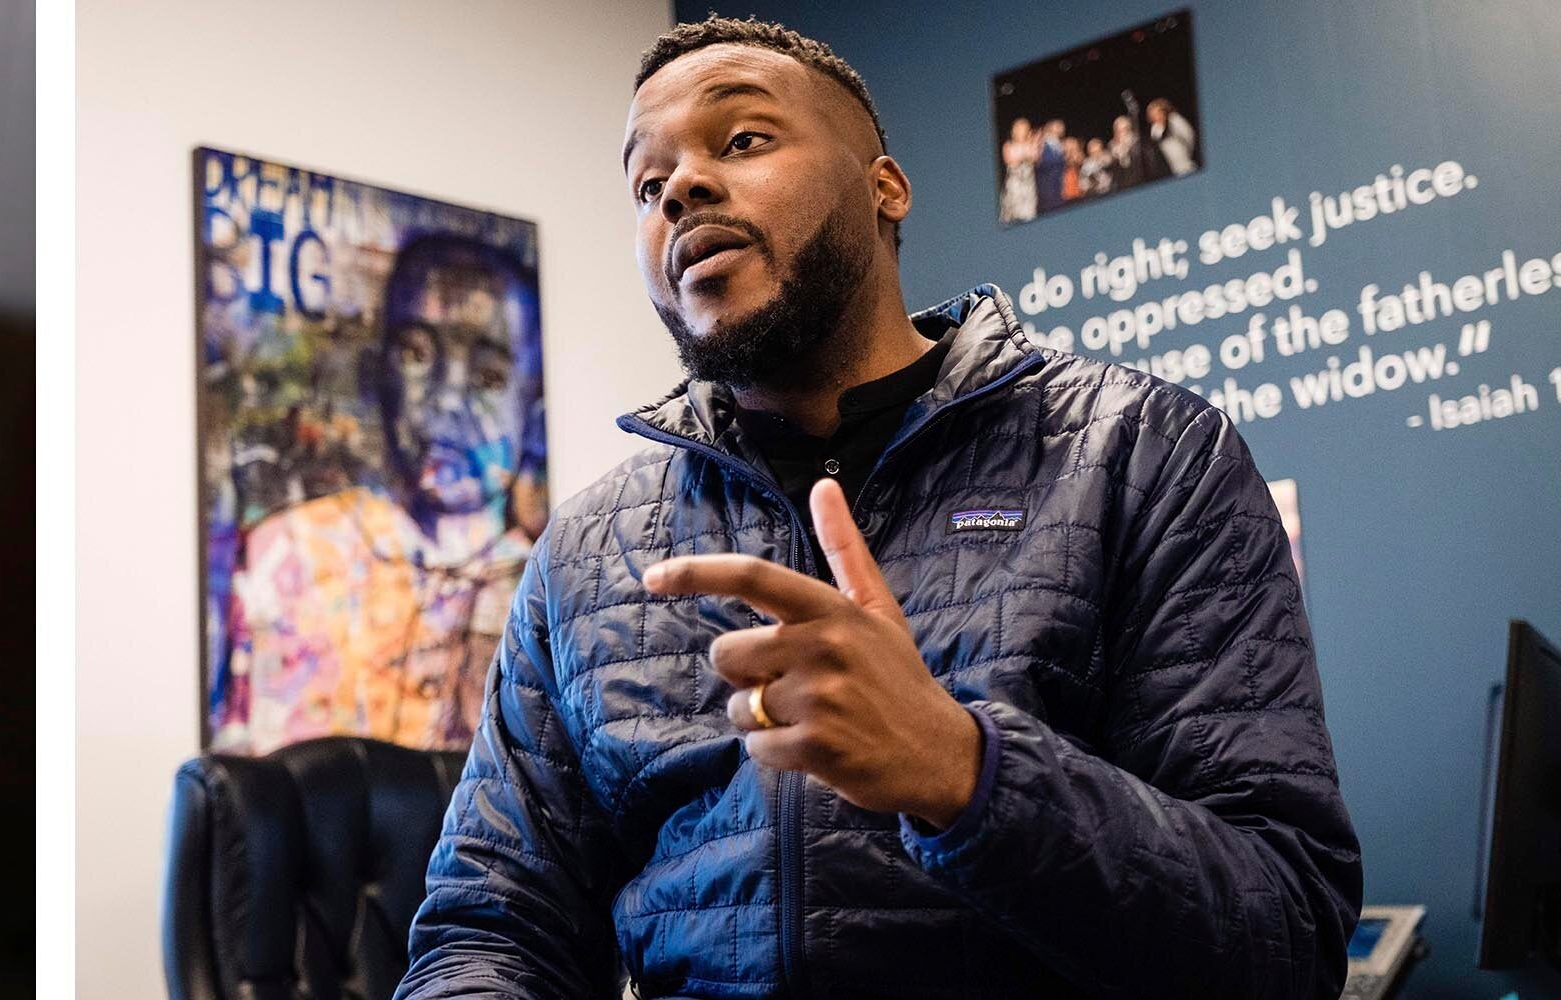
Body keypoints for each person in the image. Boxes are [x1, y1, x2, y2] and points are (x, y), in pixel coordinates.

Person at [398, 16, 1358, 998]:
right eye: (649, 185)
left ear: (884, 188)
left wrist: (968, 773)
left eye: (742, 140)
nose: (680, 188)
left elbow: (1287, 936)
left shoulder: (1146, 455)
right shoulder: (587, 552)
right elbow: (490, 924)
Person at [216, 235, 544, 754]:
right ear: (379, 375)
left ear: (532, 408)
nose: (446, 398)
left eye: (488, 374)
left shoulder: (545, 589)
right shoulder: (291, 553)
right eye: (416, 354)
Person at [1149, 96, 1200, 176]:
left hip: (1184, 161)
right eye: (1153, 115)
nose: (1156, 116)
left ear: (1163, 111)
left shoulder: (1174, 120)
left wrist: (1187, 152)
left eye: (1158, 113)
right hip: (1169, 167)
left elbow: (1189, 135)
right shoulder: (1154, 130)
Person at [998, 118, 1036, 223]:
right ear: (1014, 131)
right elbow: (1010, 158)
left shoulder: (1031, 145)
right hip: (1014, 188)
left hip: (1028, 188)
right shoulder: (1008, 145)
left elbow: (1035, 156)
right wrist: (1025, 151)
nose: (1022, 132)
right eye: (1019, 129)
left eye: (1024, 129)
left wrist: (1024, 151)